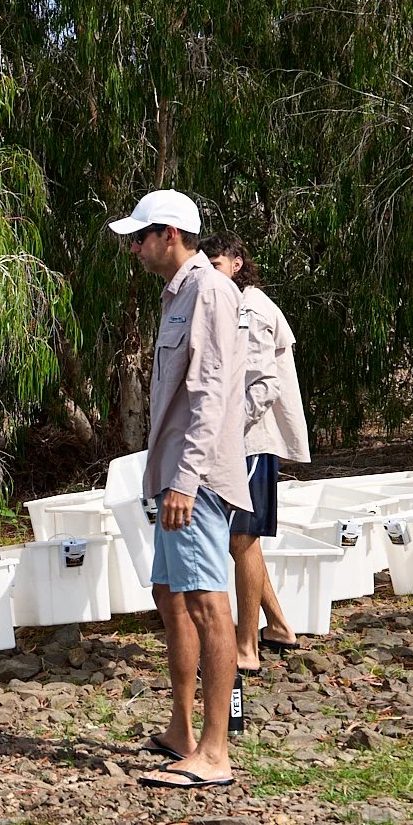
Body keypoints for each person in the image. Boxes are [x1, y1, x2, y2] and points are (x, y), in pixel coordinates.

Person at [110, 191, 250, 789]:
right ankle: (182, 731)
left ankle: (215, 753)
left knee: (207, 603)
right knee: (172, 596)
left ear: (169, 234)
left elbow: (212, 395)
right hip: (172, 475)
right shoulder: (179, 294)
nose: (133, 249)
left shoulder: (210, 293)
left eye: (139, 237)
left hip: (195, 480)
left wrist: (186, 482)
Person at [203, 234, 311, 672]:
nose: (209, 270)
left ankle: (245, 647)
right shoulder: (230, 304)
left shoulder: (252, 309)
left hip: (249, 441)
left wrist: (225, 430)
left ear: (236, 262)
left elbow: (264, 384)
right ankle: (280, 626)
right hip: (241, 441)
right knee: (241, 542)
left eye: (215, 262)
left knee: (241, 540)